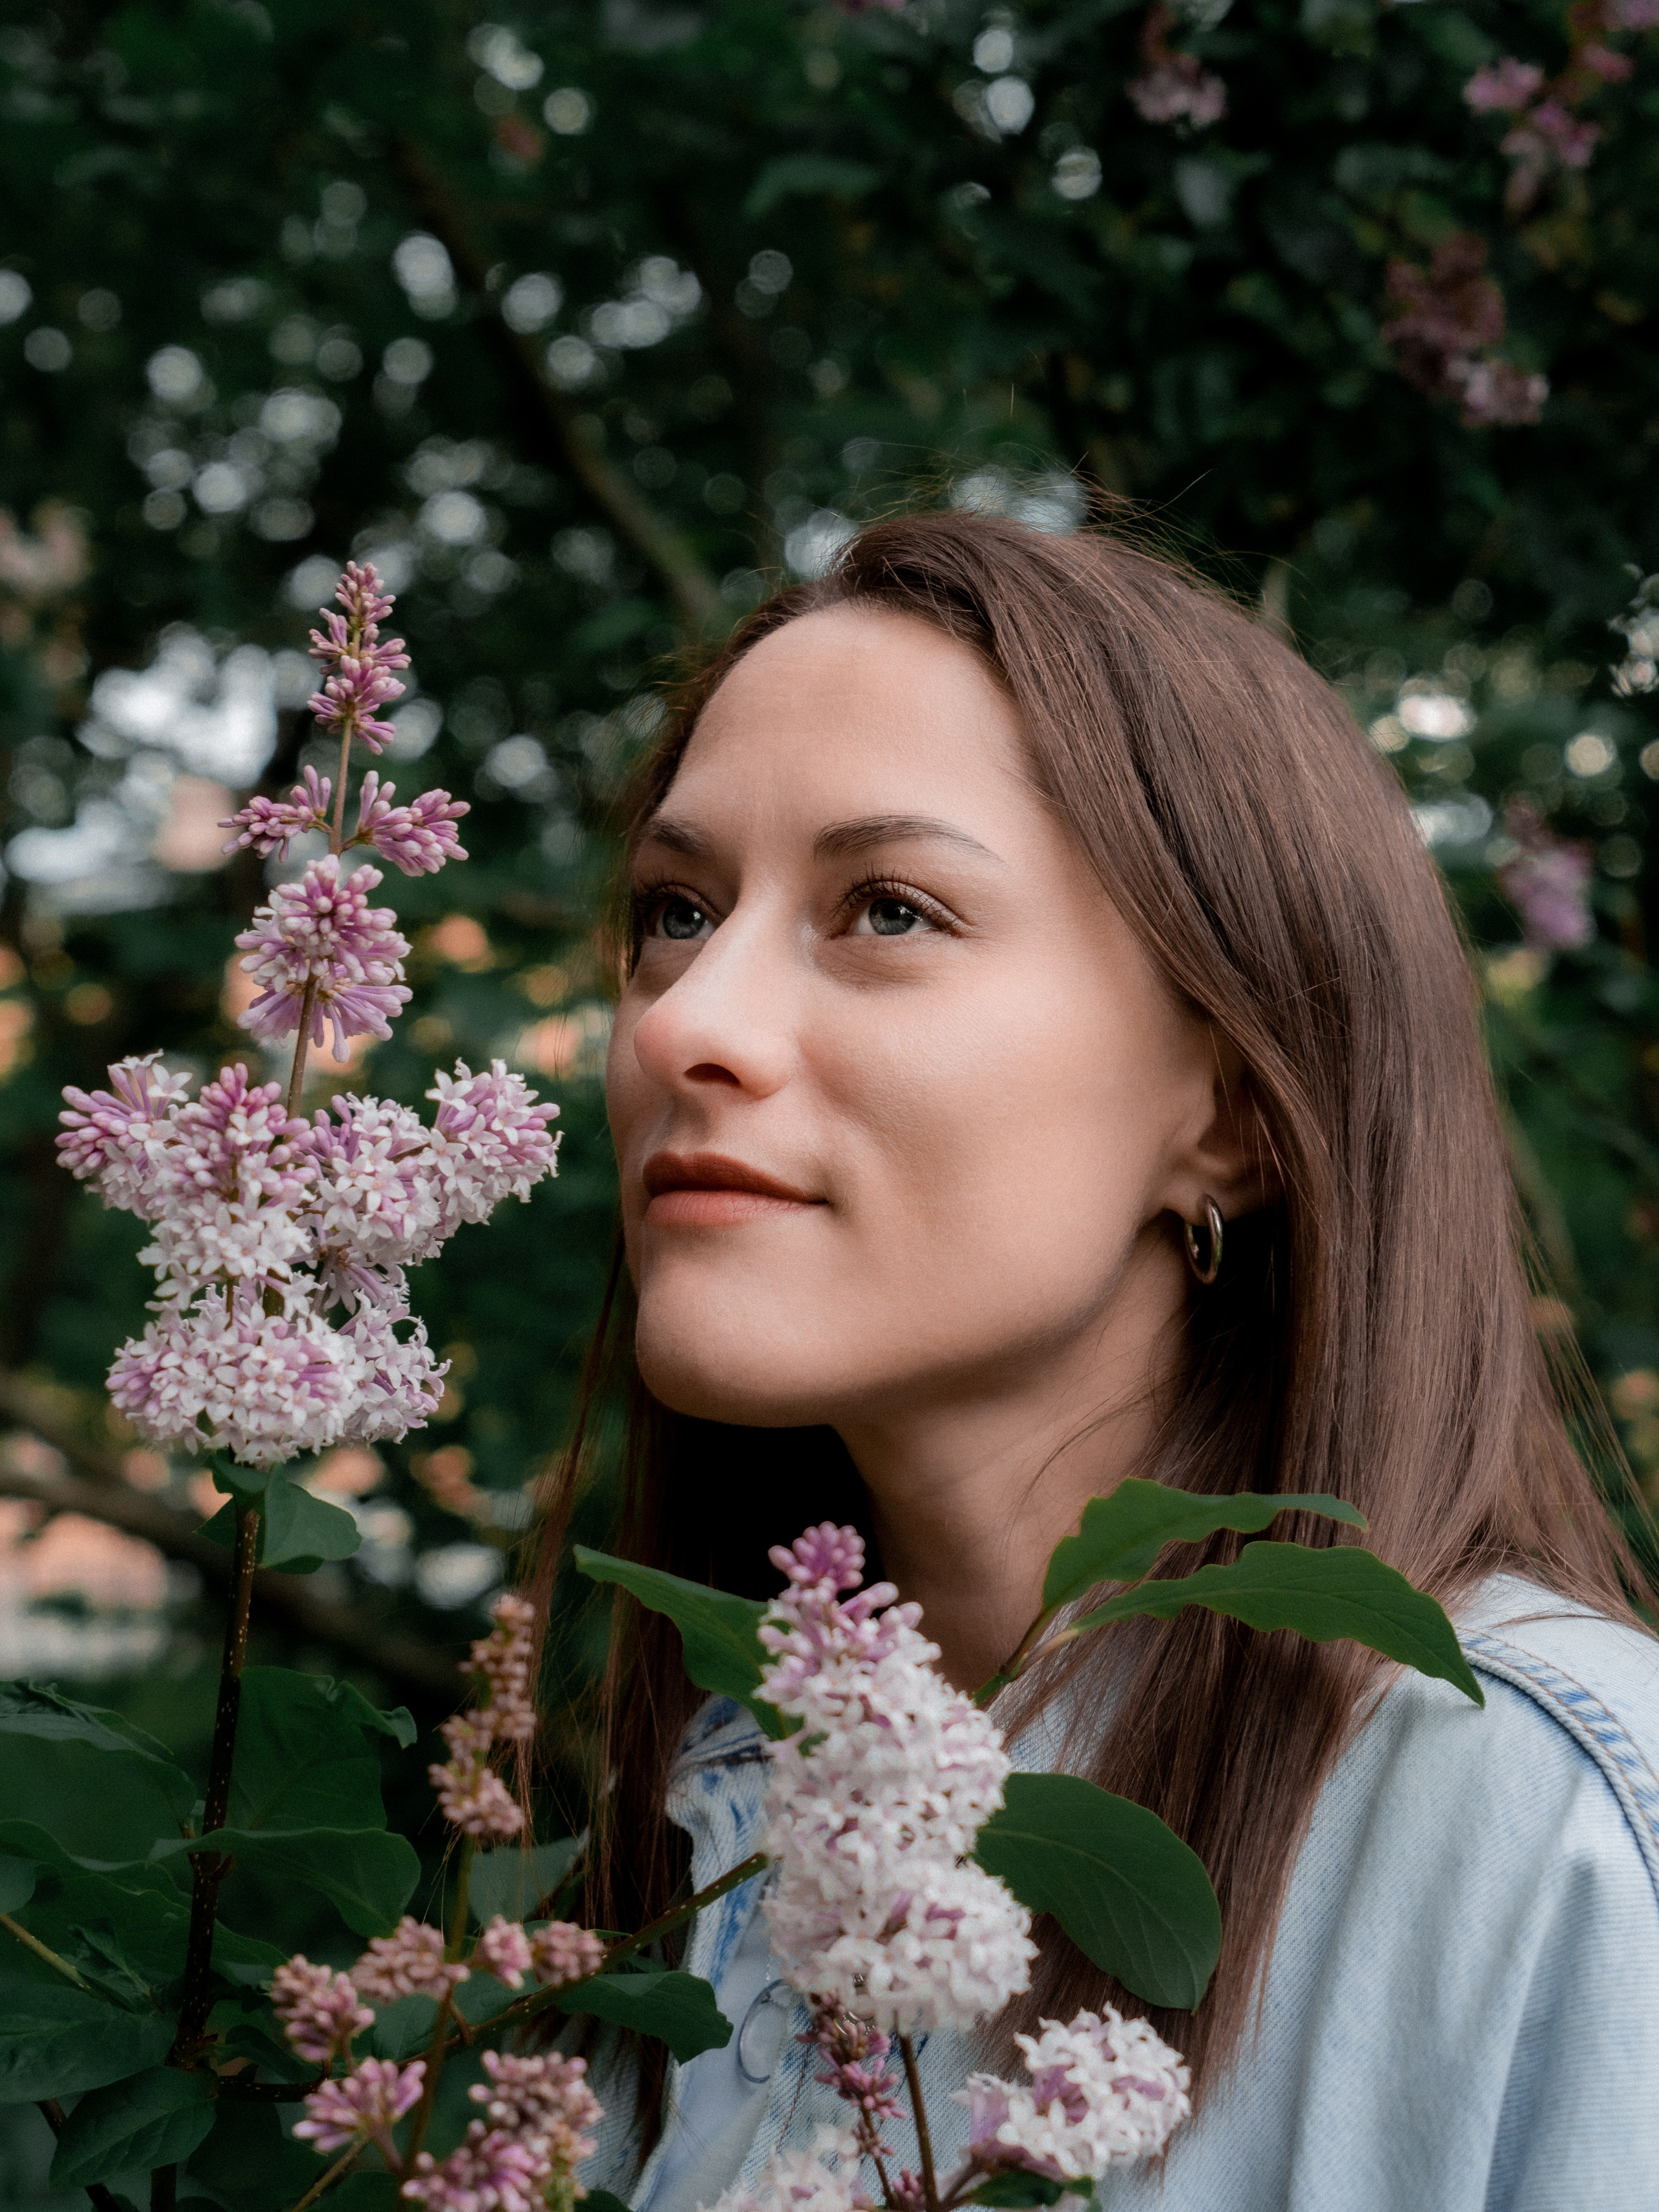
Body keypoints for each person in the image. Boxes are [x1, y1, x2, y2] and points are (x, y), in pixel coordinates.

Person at [535, 511, 1659, 2211]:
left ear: (1223, 1111)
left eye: (890, 909)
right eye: (676, 910)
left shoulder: (1534, 1829)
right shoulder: (709, 1827)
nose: (684, 1019)